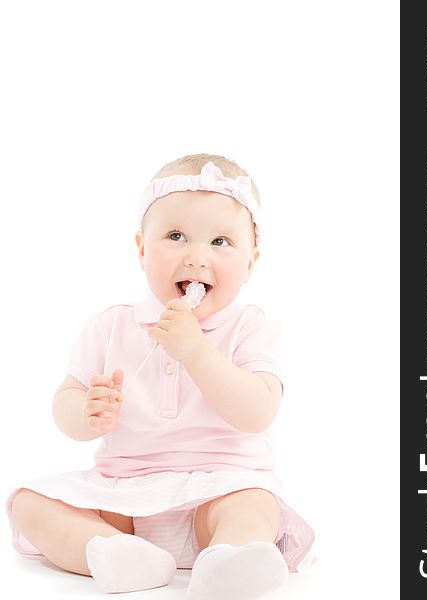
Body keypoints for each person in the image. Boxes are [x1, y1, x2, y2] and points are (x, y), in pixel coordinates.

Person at [6, 153, 315, 599]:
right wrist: (84, 411)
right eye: (176, 236)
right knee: (30, 503)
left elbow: (257, 411)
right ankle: (115, 552)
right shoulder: (111, 324)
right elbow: (66, 399)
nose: (196, 257)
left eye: (221, 242)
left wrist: (196, 352)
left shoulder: (252, 327)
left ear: (251, 262)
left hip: (221, 485)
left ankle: (230, 560)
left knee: (253, 505)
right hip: (124, 495)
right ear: (142, 249)